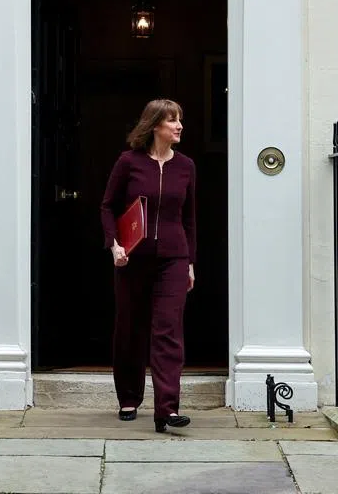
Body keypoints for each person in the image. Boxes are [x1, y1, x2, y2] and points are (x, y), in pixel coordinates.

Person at [100, 98, 197, 433]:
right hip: (132, 258)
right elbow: (108, 206)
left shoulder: (185, 166)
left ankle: (167, 409)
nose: (179, 126)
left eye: (180, 119)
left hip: (174, 258)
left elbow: (189, 219)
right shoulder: (129, 162)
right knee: (130, 327)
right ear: (155, 125)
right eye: (172, 120)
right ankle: (129, 397)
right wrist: (114, 245)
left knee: (168, 331)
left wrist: (190, 262)